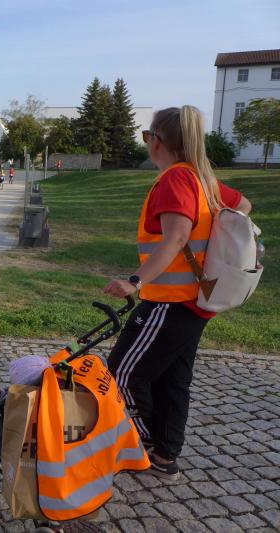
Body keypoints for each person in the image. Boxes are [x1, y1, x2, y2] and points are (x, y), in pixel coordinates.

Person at [103, 106, 251, 481]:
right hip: (195, 302)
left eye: (146, 136)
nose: (146, 142)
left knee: (121, 374)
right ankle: (165, 456)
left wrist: (134, 281)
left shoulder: (175, 180)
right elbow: (243, 206)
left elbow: (176, 238)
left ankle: (143, 445)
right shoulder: (202, 179)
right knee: (172, 380)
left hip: (169, 302)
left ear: (157, 141)